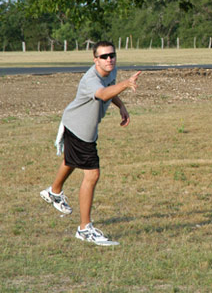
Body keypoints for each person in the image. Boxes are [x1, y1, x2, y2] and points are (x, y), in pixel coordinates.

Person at [40, 41, 141, 246]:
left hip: (82, 126)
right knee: (92, 174)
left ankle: (54, 191)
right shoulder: (90, 79)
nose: (109, 59)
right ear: (95, 60)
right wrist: (126, 84)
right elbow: (103, 93)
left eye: (112, 55)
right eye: (103, 57)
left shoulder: (110, 70)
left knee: (72, 160)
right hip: (79, 128)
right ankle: (84, 229)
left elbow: (110, 90)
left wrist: (121, 106)